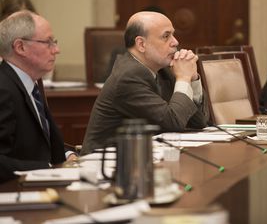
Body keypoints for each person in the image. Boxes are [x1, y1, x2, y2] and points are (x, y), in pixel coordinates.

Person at [81, 11, 210, 154]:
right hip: (105, 166)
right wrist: (183, 78)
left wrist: (193, 78)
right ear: (141, 44)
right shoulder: (128, 77)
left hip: (139, 158)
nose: (175, 42)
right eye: (166, 36)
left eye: (173, 34)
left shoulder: (163, 70)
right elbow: (173, 123)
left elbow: (199, 122)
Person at [0, 11, 75, 182]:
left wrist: (68, 155)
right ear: (20, 47)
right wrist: (48, 169)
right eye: (48, 42)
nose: (57, 50)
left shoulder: (29, 84)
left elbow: (38, 142)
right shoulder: (4, 90)